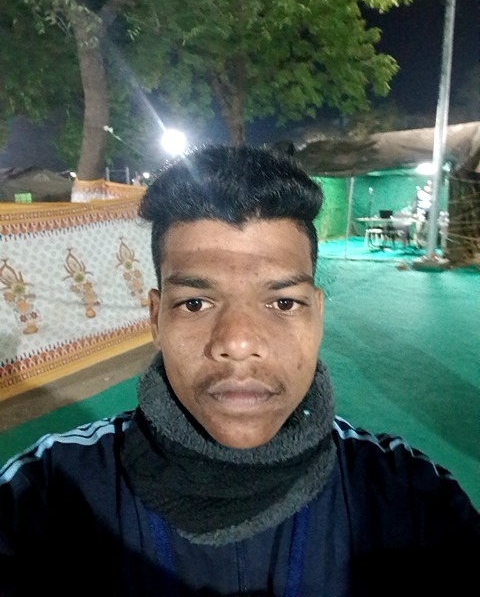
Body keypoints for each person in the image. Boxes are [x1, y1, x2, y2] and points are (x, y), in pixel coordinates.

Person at [0, 145, 478, 596]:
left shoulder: (412, 498)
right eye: (195, 303)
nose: (238, 343)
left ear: (318, 316)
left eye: (284, 302)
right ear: (156, 320)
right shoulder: (45, 495)